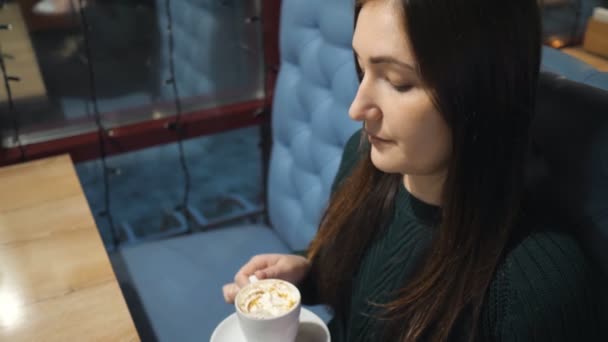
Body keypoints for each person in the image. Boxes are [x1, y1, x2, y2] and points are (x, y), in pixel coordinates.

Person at [223, 0, 607, 340]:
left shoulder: (539, 285)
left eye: (397, 81)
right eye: (360, 68)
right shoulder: (363, 163)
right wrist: (306, 272)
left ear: (483, 91)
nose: (357, 109)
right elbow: (360, 281)